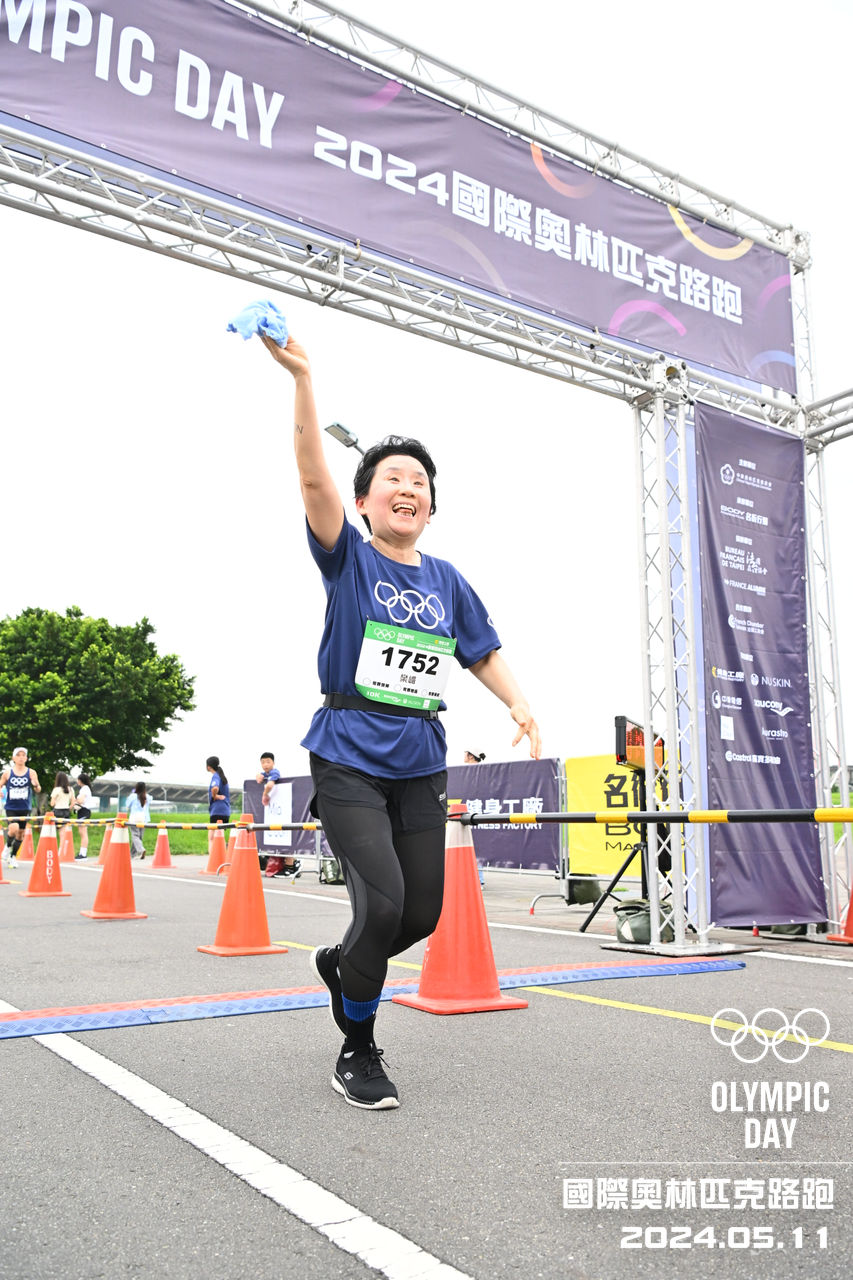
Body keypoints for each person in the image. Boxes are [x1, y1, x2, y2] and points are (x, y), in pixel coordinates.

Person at [258, 326, 541, 1110]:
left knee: (419, 913)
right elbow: (311, 477)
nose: (407, 485)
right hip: (348, 754)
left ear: (430, 506)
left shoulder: (446, 580)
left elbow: (481, 650)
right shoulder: (348, 557)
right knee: (379, 905)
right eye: (391, 477)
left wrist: (518, 701)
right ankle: (358, 1047)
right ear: (363, 502)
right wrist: (302, 379)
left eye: (419, 480)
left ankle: (342, 963)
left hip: (419, 759)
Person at [256, 750, 300, 878]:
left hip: (283, 812)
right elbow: (260, 777)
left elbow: (270, 785)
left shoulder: (275, 773)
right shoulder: (266, 773)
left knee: (286, 839)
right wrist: (259, 775)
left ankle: (291, 867)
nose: (265, 764)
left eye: (268, 762)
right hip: (273, 814)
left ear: (273, 763)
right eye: (263, 762)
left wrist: (265, 795)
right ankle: (289, 865)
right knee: (279, 841)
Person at [1, 747, 42, 863]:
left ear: (26, 758)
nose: (21, 757)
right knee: (14, 828)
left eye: (23, 755)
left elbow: (38, 789)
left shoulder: (31, 772)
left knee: (20, 834)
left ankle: (13, 856)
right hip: (11, 807)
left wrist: (36, 785)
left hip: (24, 807)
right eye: (18, 755)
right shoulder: (8, 773)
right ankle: (7, 846)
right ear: (13, 758)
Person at [462, 750, 487, 886]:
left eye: (465, 753)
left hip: (473, 814)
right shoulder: (481, 771)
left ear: (471, 756)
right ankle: (476, 880)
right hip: (472, 814)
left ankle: (479, 880)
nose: (464, 756)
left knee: (475, 848)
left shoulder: (469, 772)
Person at [206, 756, 231, 835]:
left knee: (212, 838)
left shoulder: (216, 776)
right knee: (220, 837)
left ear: (208, 767)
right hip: (225, 812)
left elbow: (215, 788)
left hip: (217, 811)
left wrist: (215, 796)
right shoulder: (222, 776)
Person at [127, 782, 150, 858]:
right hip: (144, 818)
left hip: (134, 817)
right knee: (139, 837)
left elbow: (127, 805)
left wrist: (133, 793)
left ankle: (141, 850)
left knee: (135, 836)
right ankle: (132, 854)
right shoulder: (147, 796)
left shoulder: (133, 796)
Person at [74, 772, 94, 858]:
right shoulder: (86, 788)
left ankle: (83, 854)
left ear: (80, 780)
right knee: (82, 832)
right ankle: (82, 853)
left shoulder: (84, 788)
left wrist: (75, 799)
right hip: (83, 811)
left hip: (84, 811)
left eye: (78, 779)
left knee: (83, 833)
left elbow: (81, 801)